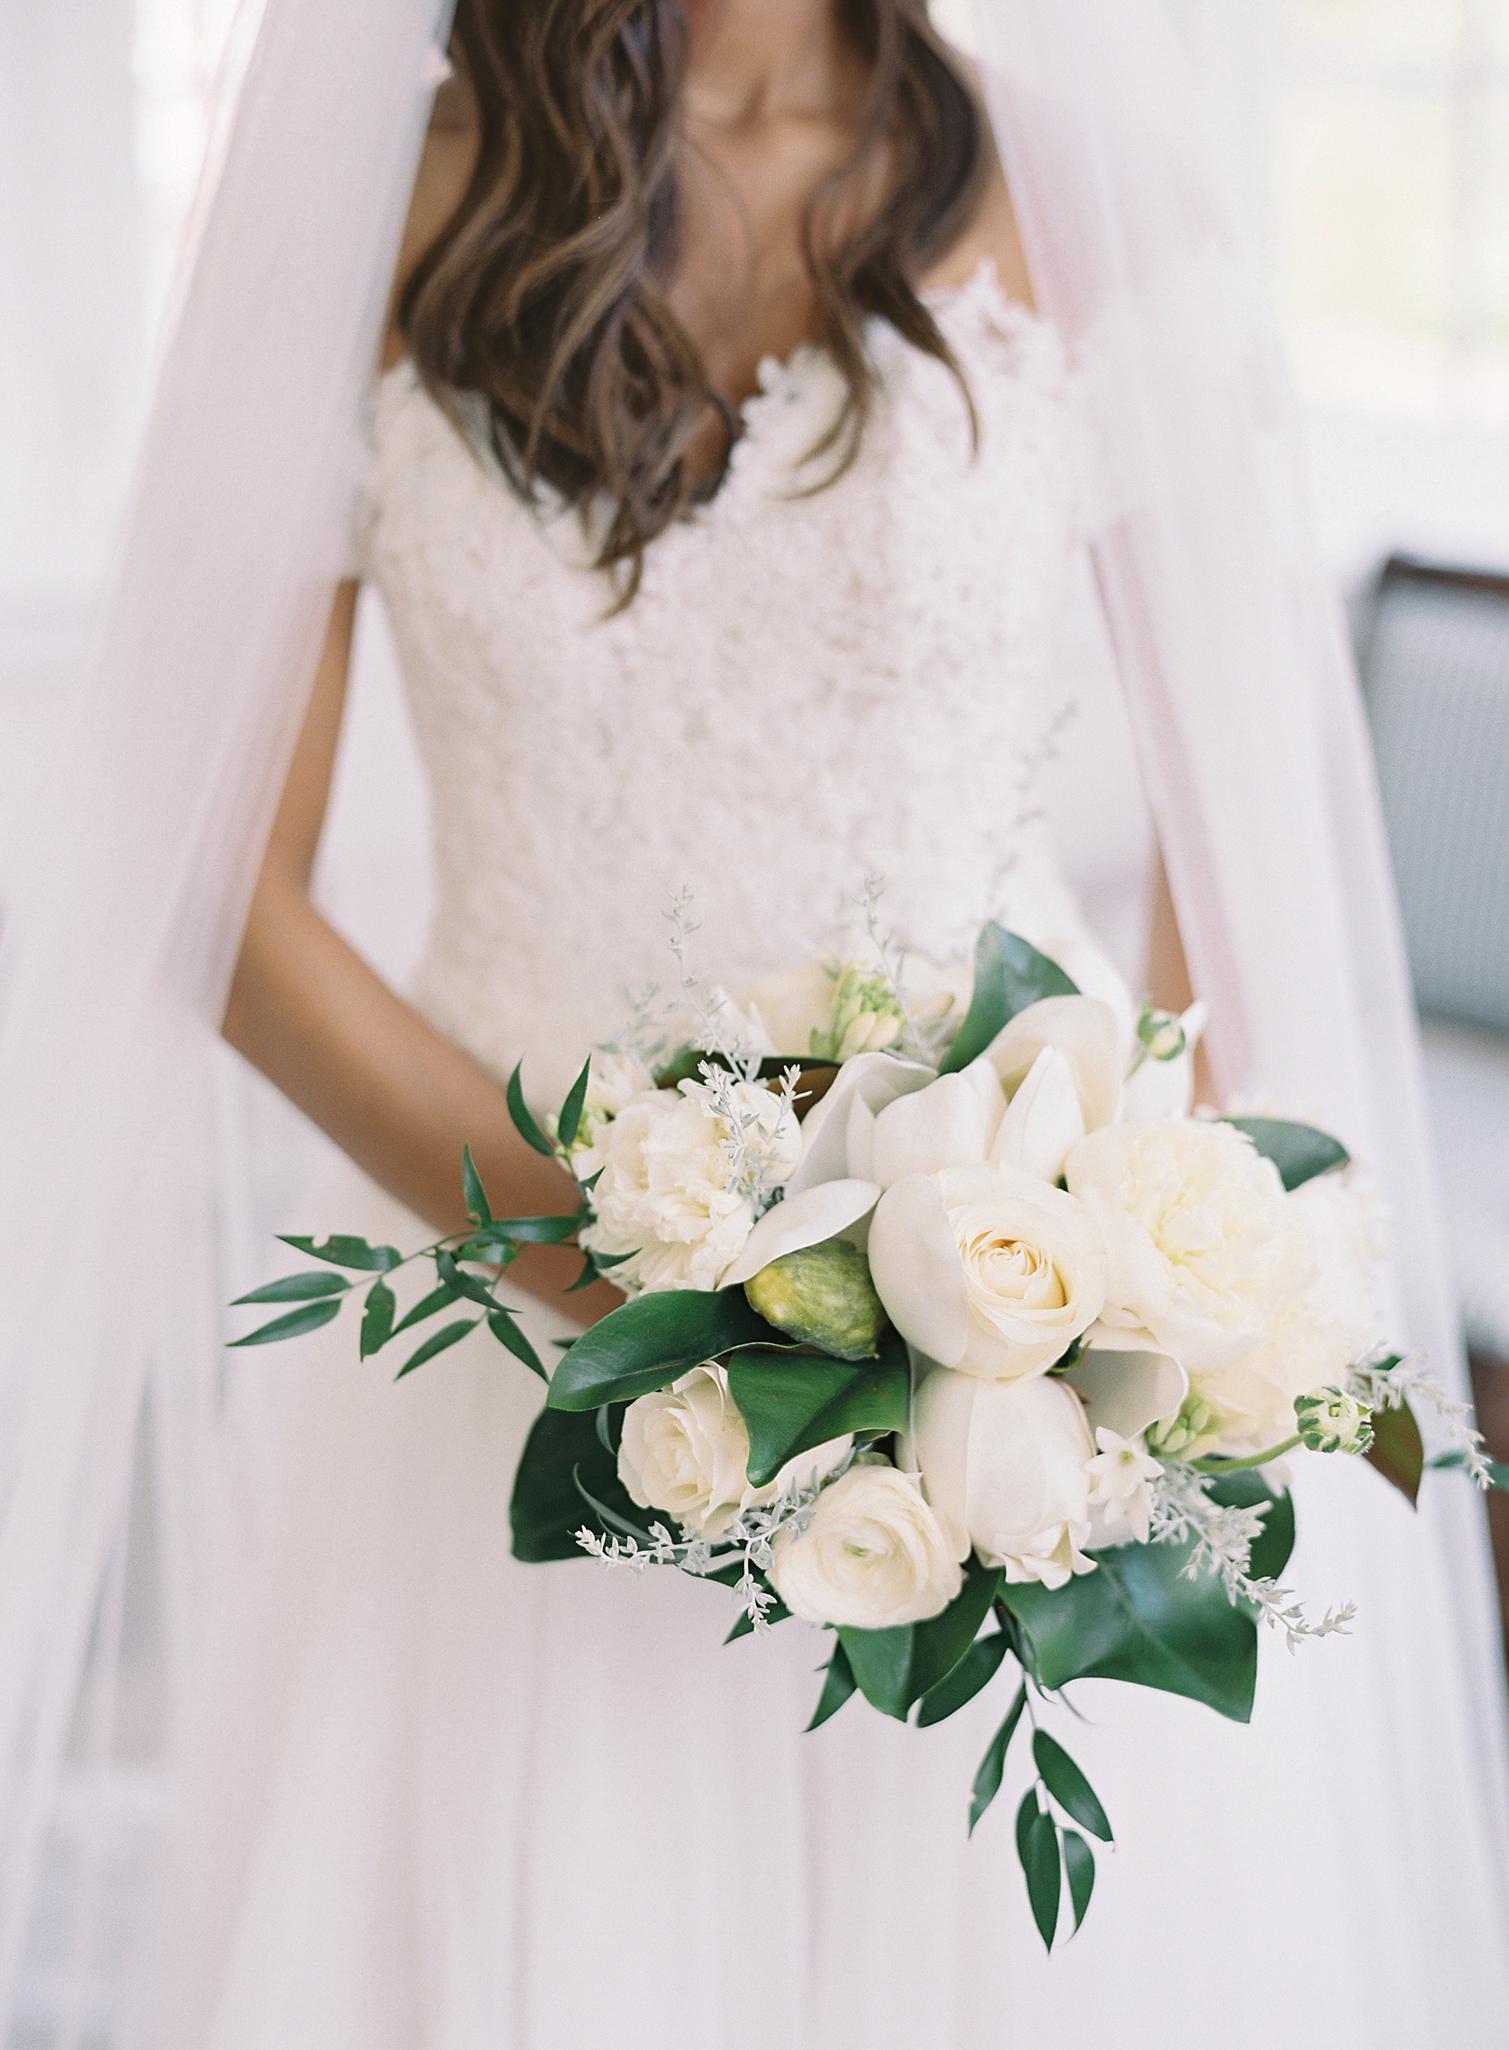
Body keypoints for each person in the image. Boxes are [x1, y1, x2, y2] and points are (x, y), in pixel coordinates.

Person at [3, 4, 1505, 2046]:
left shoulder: (1104, 210)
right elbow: (222, 893)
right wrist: (608, 1278)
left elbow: (1244, 883)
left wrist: (1069, 1317)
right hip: (514, 1353)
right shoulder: (376, 207)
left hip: (1005, 1371)